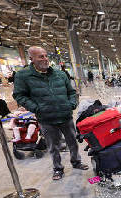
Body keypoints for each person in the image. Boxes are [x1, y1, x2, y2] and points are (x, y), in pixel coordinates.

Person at [12, 46, 88, 180]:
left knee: (73, 142)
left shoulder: (60, 74)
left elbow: (71, 92)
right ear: (32, 59)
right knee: (53, 146)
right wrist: (37, 108)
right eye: (41, 56)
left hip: (65, 116)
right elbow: (19, 95)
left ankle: (76, 162)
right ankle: (58, 168)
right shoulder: (23, 76)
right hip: (46, 118)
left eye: (46, 56)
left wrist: (71, 104)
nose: (45, 59)